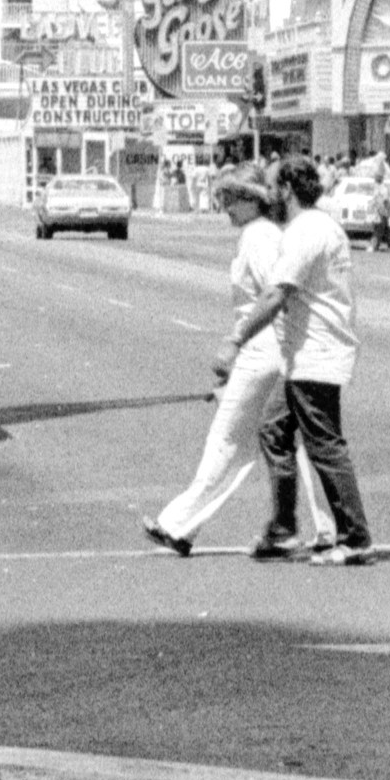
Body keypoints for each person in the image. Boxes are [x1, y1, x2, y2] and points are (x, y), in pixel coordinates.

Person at [137, 175, 297, 555]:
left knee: (227, 440)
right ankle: (185, 527)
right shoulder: (260, 234)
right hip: (264, 351)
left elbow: (275, 296)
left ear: (251, 200)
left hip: (264, 348)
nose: (225, 207)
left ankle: (177, 526)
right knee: (242, 445)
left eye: (230, 199)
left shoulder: (260, 237)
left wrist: (238, 347)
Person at [252, 158, 377, 569]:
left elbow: (276, 294)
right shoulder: (322, 226)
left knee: (325, 445)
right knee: (274, 429)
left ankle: (355, 538)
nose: (268, 195)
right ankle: (284, 527)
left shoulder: (306, 232)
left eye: (272, 187)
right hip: (305, 355)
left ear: (287, 188)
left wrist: (235, 340)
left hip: (316, 354)